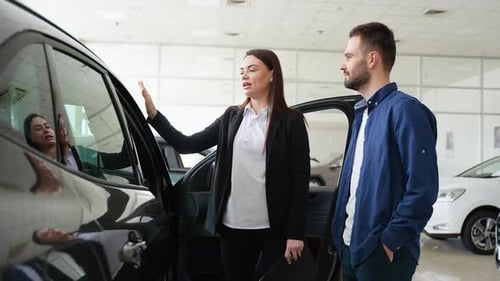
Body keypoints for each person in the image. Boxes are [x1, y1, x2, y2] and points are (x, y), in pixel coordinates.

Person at [140, 49, 311, 281]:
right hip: (233, 225)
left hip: (273, 228)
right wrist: (154, 115)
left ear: (272, 74)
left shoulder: (291, 121)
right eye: (242, 71)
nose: (244, 76)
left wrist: (295, 234)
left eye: (252, 69)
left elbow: (300, 180)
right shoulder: (232, 117)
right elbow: (187, 144)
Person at [330, 22, 439, 281]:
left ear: (372, 59)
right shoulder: (363, 113)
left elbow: (423, 189)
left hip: (382, 253)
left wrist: (391, 240)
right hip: (351, 246)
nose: (342, 65)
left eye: (348, 56)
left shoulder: (405, 111)